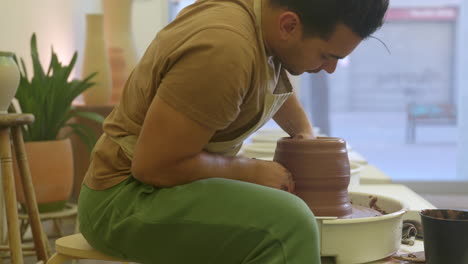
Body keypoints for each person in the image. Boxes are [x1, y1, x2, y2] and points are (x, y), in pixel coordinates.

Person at [78, 0, 389, 263]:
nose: (330, 69)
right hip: (121, 199)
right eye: (326, 56)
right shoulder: (225, 49)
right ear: (289, 26)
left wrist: (304, 134)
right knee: (289, 223)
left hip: (152, 187)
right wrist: (249, 170)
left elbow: (268, 76)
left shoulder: (261, 23)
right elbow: (154, 165)